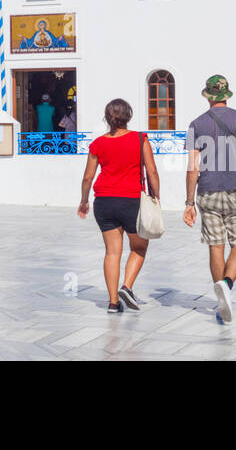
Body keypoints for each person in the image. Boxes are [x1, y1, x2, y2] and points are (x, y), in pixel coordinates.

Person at [182, 74, 236, 324]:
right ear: (226, 95)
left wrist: (189, 202)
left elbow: (192, 167)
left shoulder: (196, 124)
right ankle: (227, 285)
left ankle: (221, 295)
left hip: (208, 191)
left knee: (215, 246)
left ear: (207, 96)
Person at [78, 98, 159, 314]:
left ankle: (113, 302)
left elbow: (88, 177)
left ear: (107, 117)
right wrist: (156, 196)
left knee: (112, 252)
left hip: (104, 201)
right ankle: (127, 286)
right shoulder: (140, 139)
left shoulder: (98, 144)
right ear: (129, 116)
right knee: (139, 247)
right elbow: (151, 171)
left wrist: (84, 201)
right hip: (131, 200)